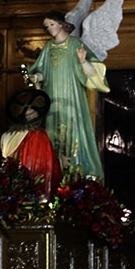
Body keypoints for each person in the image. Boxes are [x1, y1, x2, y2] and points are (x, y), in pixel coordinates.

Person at [28, 11, 109, 178]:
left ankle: (78, 172)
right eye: (46, 26)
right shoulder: (48, 47)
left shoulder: (75, 44)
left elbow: (92, 72)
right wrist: (35, 77)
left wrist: (83, 61)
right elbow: (42, 72)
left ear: (61, 24)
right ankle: (55, 172)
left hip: (72, 95)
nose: (49, 28)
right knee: (53, 132)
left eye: (51, 24)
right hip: (53, 98)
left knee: (74, 130)